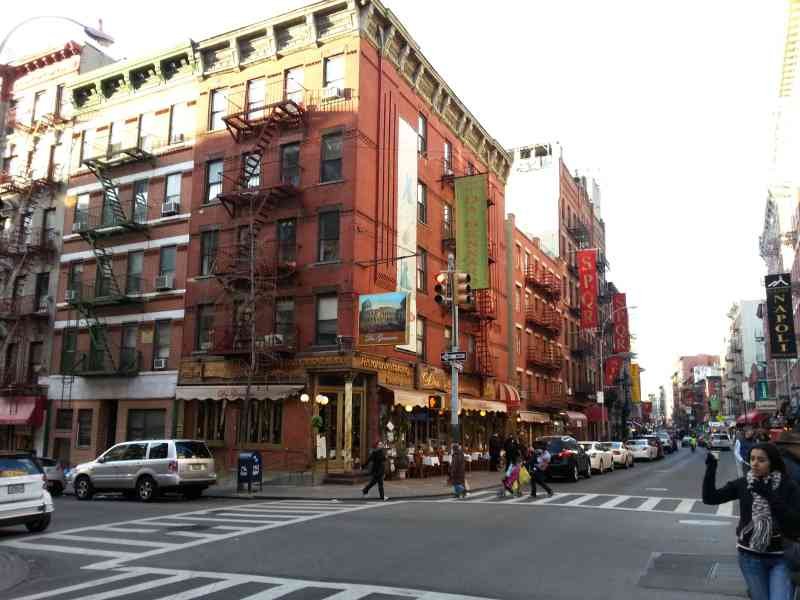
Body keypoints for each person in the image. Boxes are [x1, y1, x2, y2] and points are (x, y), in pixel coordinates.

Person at [702, 443, 800, 600]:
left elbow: (795, 523)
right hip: (750, 556)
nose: (755, 463)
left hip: (781, 557)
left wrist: (769, 495)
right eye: (752, 459)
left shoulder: (788, 486)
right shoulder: (744, 484)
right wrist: (711, 468)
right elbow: (710, 498)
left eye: (761, 460)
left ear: (772, 462)